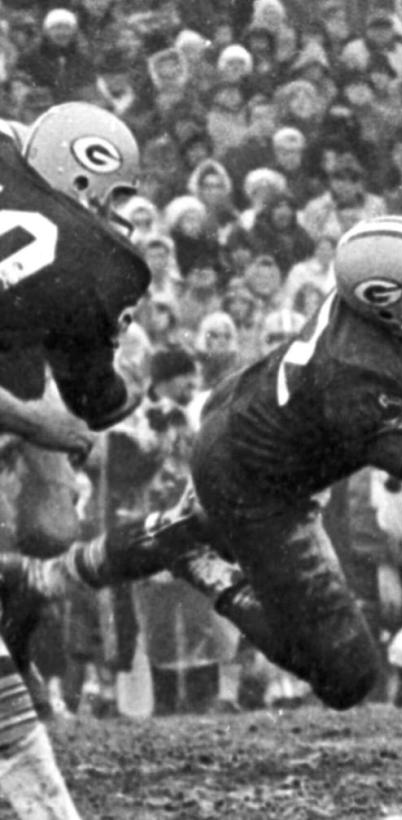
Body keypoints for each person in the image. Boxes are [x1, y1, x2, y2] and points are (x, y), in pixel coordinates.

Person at [1, 208, 402, 715]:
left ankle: (51, 578)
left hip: (254, 415)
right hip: (255, 480)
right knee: (346, 679)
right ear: (385, 311)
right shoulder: (359, 374)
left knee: (189, 527)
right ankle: (204, 567)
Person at [0, 102, 150, 819]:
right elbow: (95, 403)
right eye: (117, 194)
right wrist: (69, 410)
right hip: (19, 377)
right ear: (85, 181)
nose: (123, 213)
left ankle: (15, 654)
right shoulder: (100, 260)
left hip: (16, 354)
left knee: (52, 532)